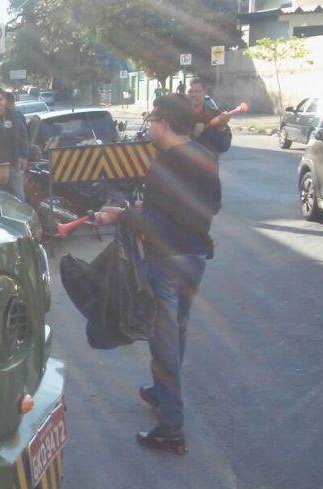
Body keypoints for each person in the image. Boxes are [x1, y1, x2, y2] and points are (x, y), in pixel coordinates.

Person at [95, 94, 222, 455]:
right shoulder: (205, 156)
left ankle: (171, 428)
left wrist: (121, 215)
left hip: (166, 262)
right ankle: (161, 394)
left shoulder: (165, 163)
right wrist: (149, 208)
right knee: (175, 333)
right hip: (194, 259)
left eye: (151, 119)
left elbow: (153, 225)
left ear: (164, 122)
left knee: (163, 343)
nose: (148, 126)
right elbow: (210, 206)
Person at [0, 88, 29, 200]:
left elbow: (23, 137)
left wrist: (24, 157)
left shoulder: (15, 116)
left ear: (4, 100)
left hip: (13, 164)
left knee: (19, 198)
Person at [186, 78, 231, 157]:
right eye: (190, 91)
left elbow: (224, 147)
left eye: (197, 91)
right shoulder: (177, 114)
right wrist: (194, 135)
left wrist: (222, 127)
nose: (193, 94)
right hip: (184, 162)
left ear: (205, 93)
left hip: (209, 163)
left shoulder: (214, 115)